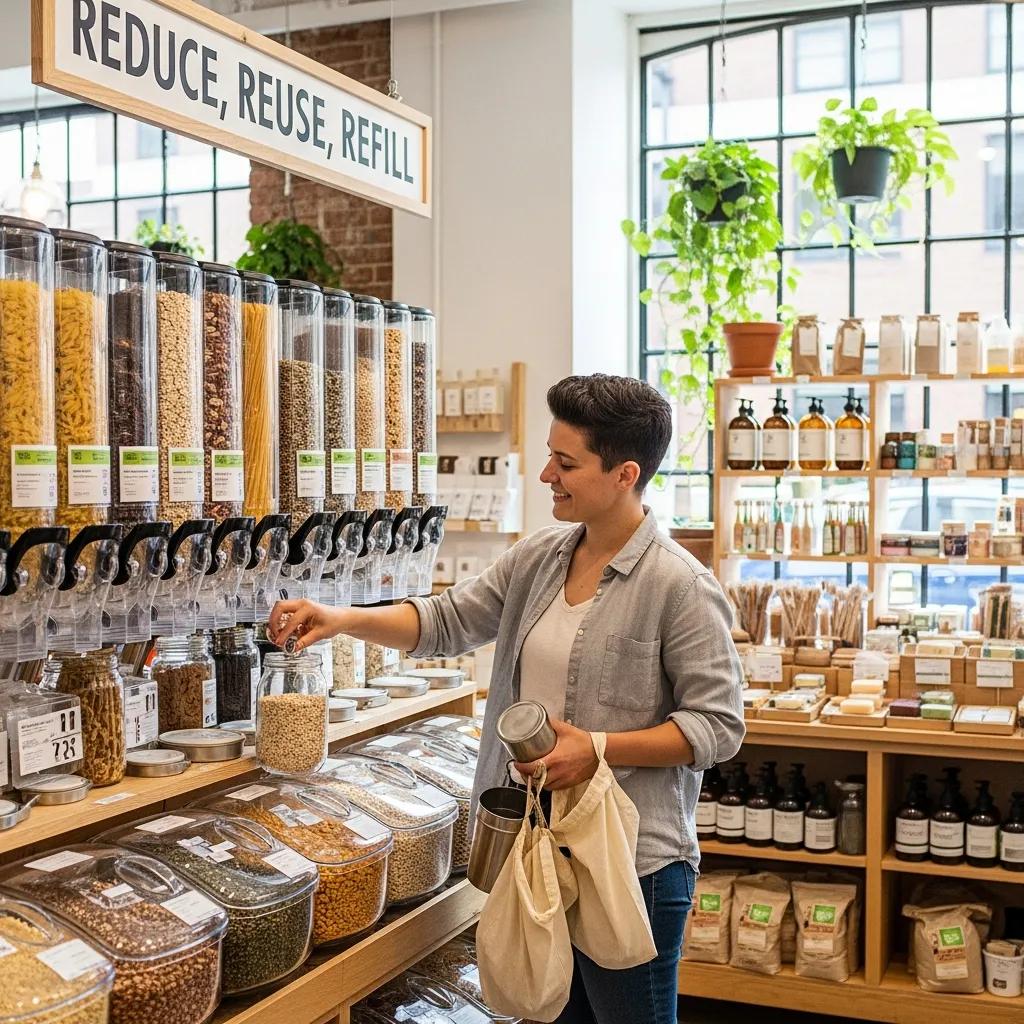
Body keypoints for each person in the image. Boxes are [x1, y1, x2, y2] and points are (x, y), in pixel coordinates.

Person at [269, 373, 745, 1024]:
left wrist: (597, 750)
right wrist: (342, 617)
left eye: (566, 462)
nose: (547, 473)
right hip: (540, 849)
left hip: (632, 866)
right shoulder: (541, 557)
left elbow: (717, 727)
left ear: (624, 474)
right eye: (550, 454)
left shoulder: (680, 586)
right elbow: (446, 620)